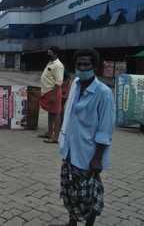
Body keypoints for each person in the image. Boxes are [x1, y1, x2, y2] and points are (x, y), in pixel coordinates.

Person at [57, 49, 115, 226]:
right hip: (70, 148)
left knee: (89, 194)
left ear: (94, 67)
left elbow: (105, 130)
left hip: (88, 153)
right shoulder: (75, 84)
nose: (82, 68)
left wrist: (97, 158)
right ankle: (72, 222)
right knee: (69, 190)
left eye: (86, 65)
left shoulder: (103, 93)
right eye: (79, 65)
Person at [39, 46, 64, 143]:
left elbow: (58, 82)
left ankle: (56, 137)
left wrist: (54, 95)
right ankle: (49, 133)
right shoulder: (51, 63)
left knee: (56, 114)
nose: (48, 54)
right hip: (48, 91)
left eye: (50, 53)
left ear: (55, 53)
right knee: (50, 112)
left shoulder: (58, 65)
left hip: (54, 92)